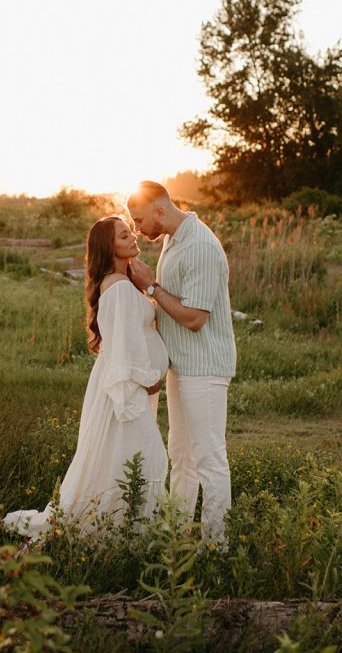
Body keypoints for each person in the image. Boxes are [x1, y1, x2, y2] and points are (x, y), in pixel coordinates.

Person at [3, 215, 169, 540]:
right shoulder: (119, 288)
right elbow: (123, 346)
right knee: (145, 456)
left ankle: (123, 533)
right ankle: (116, 535)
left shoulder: (122, 283)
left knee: (120, 457)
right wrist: (150, 380)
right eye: (124, 236)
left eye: (129, 232)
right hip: (125, 386)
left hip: (124, 382)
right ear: (110, 248)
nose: (132, 237)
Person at [127, 181, 236, 546]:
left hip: (204, 367)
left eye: (140, 220)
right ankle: (177, 535)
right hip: (181, 366)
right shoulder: (173, 239)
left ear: (160, 209)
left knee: (208, 456)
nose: (138, 229)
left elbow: (194, 318)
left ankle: (215, 546)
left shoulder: (201, 246)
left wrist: (152, 288)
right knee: (181, 453)